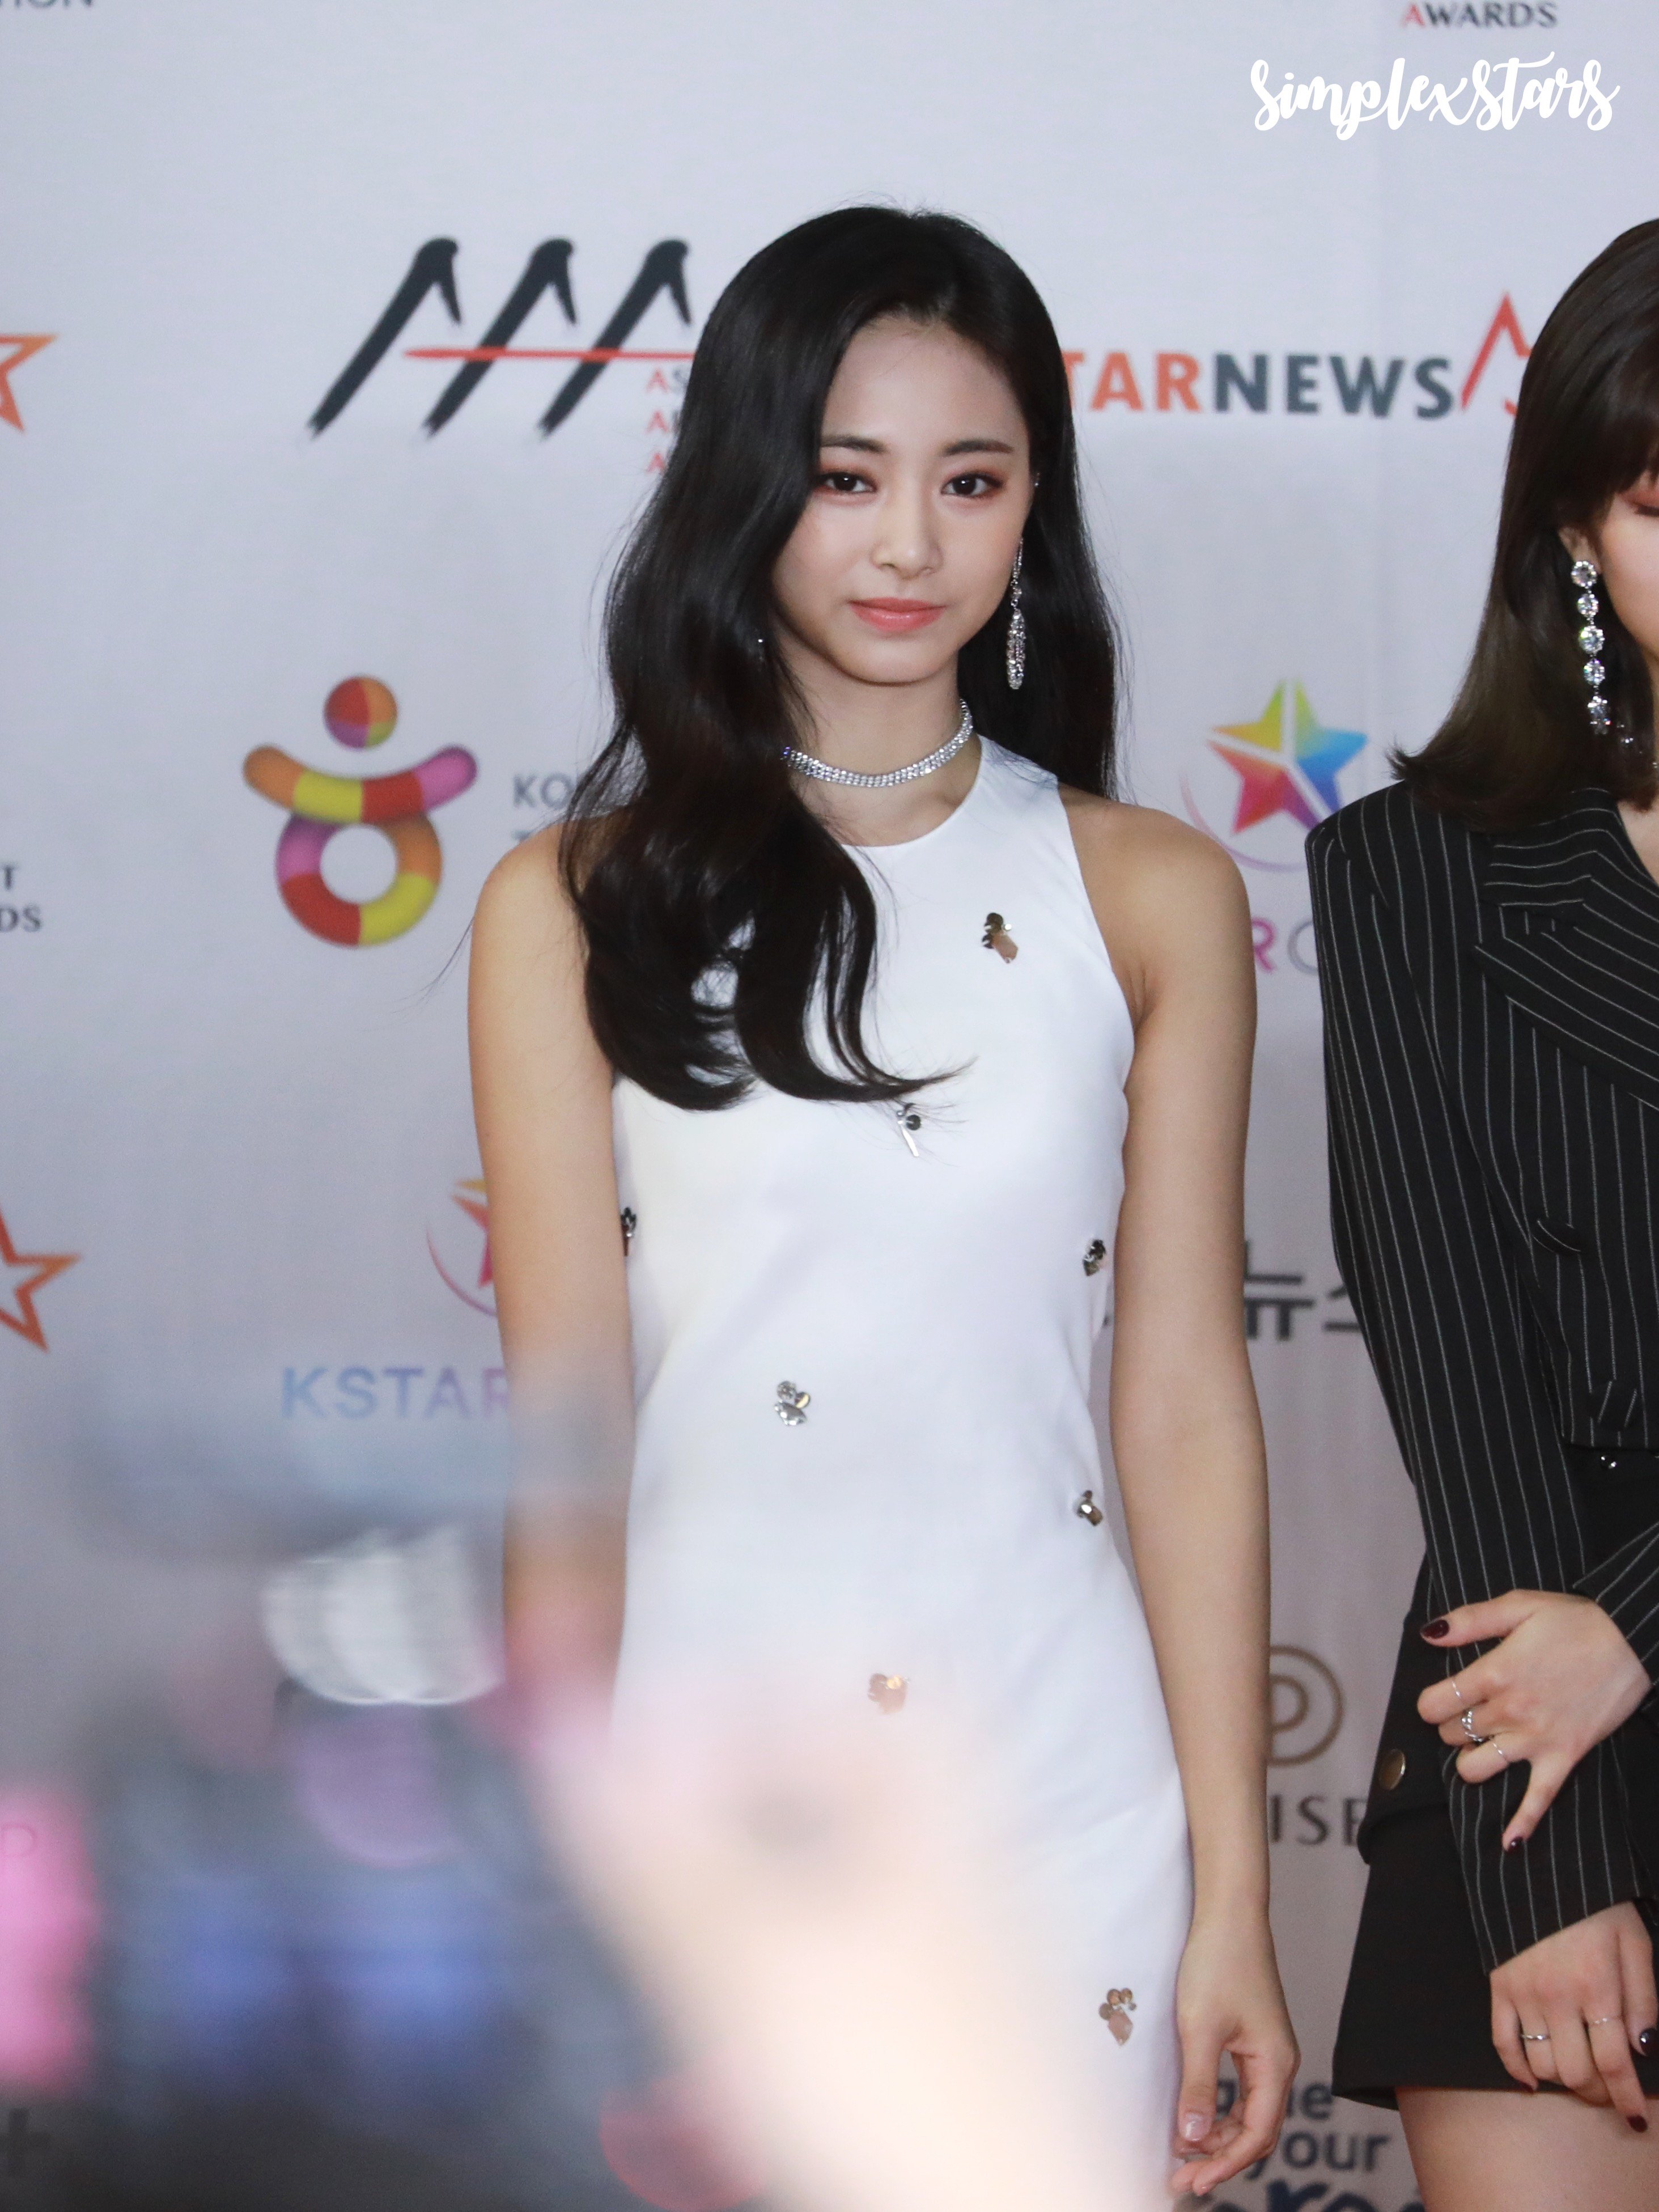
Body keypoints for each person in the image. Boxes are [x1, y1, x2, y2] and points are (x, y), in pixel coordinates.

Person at [469, 206, 1295, 2205]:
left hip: (1062, 1795)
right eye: (848, 479)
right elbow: (565, 1452)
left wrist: (1235, 1897)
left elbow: (1186, 1410)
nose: (910, 543)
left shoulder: (1155, 893)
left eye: (972, 481)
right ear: (746, 486)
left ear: (1035, 513)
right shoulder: (573, 906)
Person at [1309, 218, 1659, 2209]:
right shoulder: (1411, 875)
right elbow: (1460, 1377)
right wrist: (1554, 1866)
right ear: (1579, 532)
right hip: (1539, 1720)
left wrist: (1638, 1630)